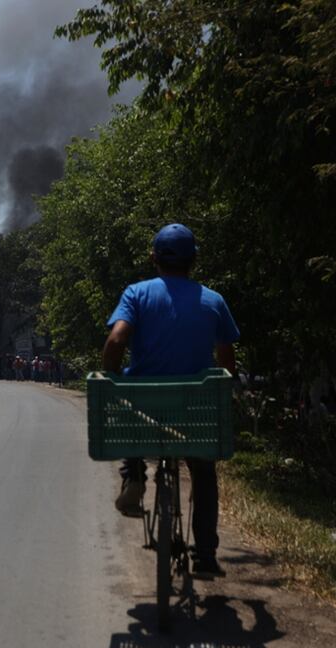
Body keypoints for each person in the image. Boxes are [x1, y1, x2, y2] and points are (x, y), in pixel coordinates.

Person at [102, 223, 239, 578]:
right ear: (194, 260)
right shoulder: (213, 300)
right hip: (196, 410)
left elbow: (116, 342)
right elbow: (226, 356)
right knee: (204, 473)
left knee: (127, 404)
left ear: (153, 258)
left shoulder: (137, 293)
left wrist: (112, 378)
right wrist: (229, 388)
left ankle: (134, 471)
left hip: (146, 406)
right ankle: (206, 556)